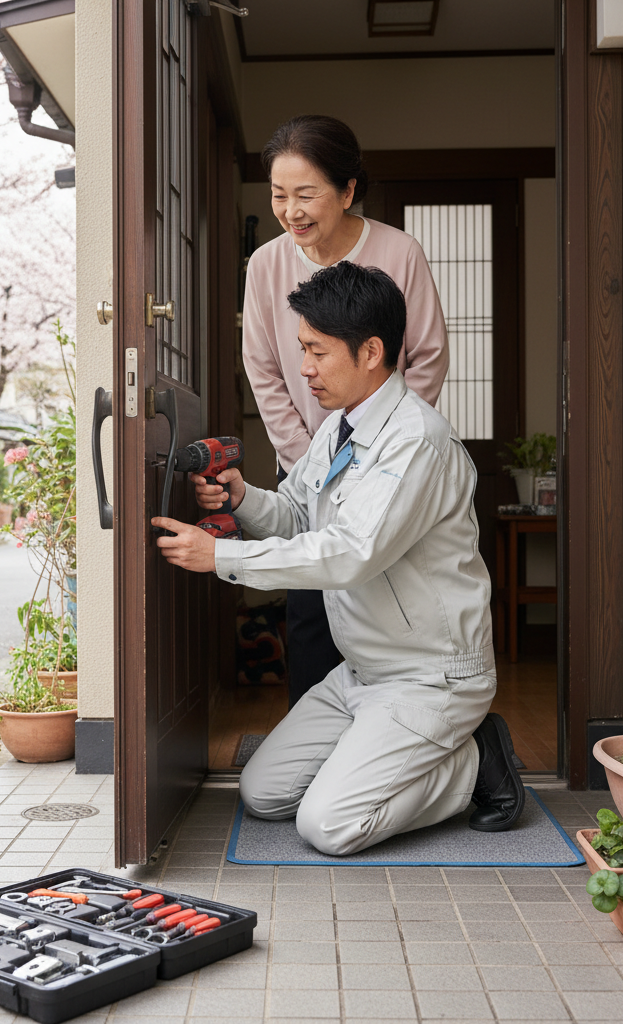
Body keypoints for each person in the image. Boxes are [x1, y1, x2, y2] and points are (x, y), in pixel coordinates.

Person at [152, 262, 523, 856]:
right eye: (302, 349)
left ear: (371, 351)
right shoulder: (339, 428)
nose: (304, 369)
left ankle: (476, 763)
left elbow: (350, 553)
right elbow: (301, 515)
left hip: (429, 678)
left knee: (328, 825)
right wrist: (244, 498)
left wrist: (222, 555)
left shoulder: (417, 442)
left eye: (316, 352)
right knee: (264, 793)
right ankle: (392, 750)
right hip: (360, 674)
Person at [243, 114, 450, 709]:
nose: (291, 210)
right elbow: (263, 368)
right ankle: (316, 736)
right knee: (309, 606)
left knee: (392, 597)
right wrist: (309, 458)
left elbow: (428, 356)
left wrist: (383, 439)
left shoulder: (398, 252)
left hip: (391, 461)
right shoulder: (266, 265)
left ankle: (406, 727)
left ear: (348, 190)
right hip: (307, 460)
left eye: (306, 194)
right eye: (279, 195)